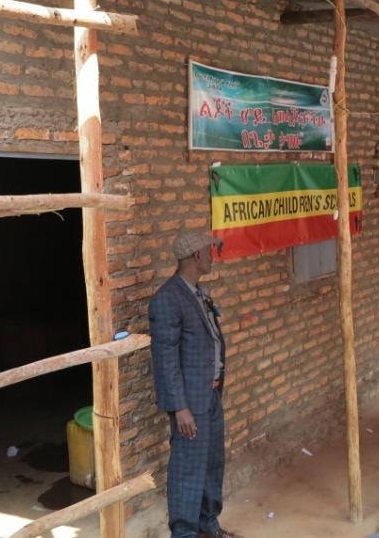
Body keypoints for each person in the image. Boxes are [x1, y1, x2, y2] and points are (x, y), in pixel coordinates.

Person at [148, 231, 242, 538]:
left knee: (212, 465)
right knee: (188, 469)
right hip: (190, 403)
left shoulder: (197, 294)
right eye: (209, 251)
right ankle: (185, 533)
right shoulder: (167, 298)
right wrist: (180, 408)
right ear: (195, 257)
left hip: (210, 395)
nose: (213, 256)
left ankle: (208, 525)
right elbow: (165, 358)